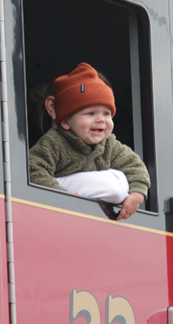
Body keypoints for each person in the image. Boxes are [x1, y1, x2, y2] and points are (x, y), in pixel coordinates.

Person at [29, 63, 151, 221]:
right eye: (91, 113)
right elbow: (33, 170)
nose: (100, 119)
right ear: (66, 121)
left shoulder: (109, 145)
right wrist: (60, 194)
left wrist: (136, 195)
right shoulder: (53, 143)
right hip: (57, 215)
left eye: (107, 113)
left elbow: (135, 165)